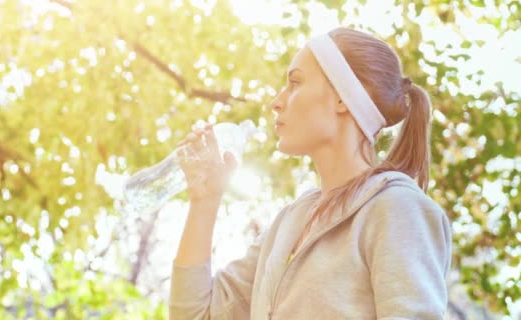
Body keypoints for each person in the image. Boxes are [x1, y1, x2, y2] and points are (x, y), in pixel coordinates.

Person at [169, 27, 452, 319]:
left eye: (295, 82)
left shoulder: (396, 209)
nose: (276, 102)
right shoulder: (287, 225)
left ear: (343, 97)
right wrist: (205, 199)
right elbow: (194, 316)